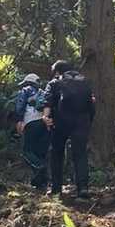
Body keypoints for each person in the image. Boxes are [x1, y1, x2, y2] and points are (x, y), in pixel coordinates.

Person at [43, 60, 95, 198]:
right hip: (81, 122)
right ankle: (83, 188)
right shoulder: (84, 82)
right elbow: (91, 104)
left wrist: (46, 117)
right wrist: (88, 121)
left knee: (56, 153)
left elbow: (48, 101)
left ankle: (56, 189)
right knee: (80, 154)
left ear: (57, 71)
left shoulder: (54, 83)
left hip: (60, 121)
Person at [10, 72, 49, 190]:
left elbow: (20, 105)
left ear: (28, 82)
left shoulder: (25, 90)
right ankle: (41, 182)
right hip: (43, 123)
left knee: (27, 151)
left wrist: (19, 120)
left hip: (30, 122)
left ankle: (40, 167)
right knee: (38, 152)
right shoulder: (43, 92)